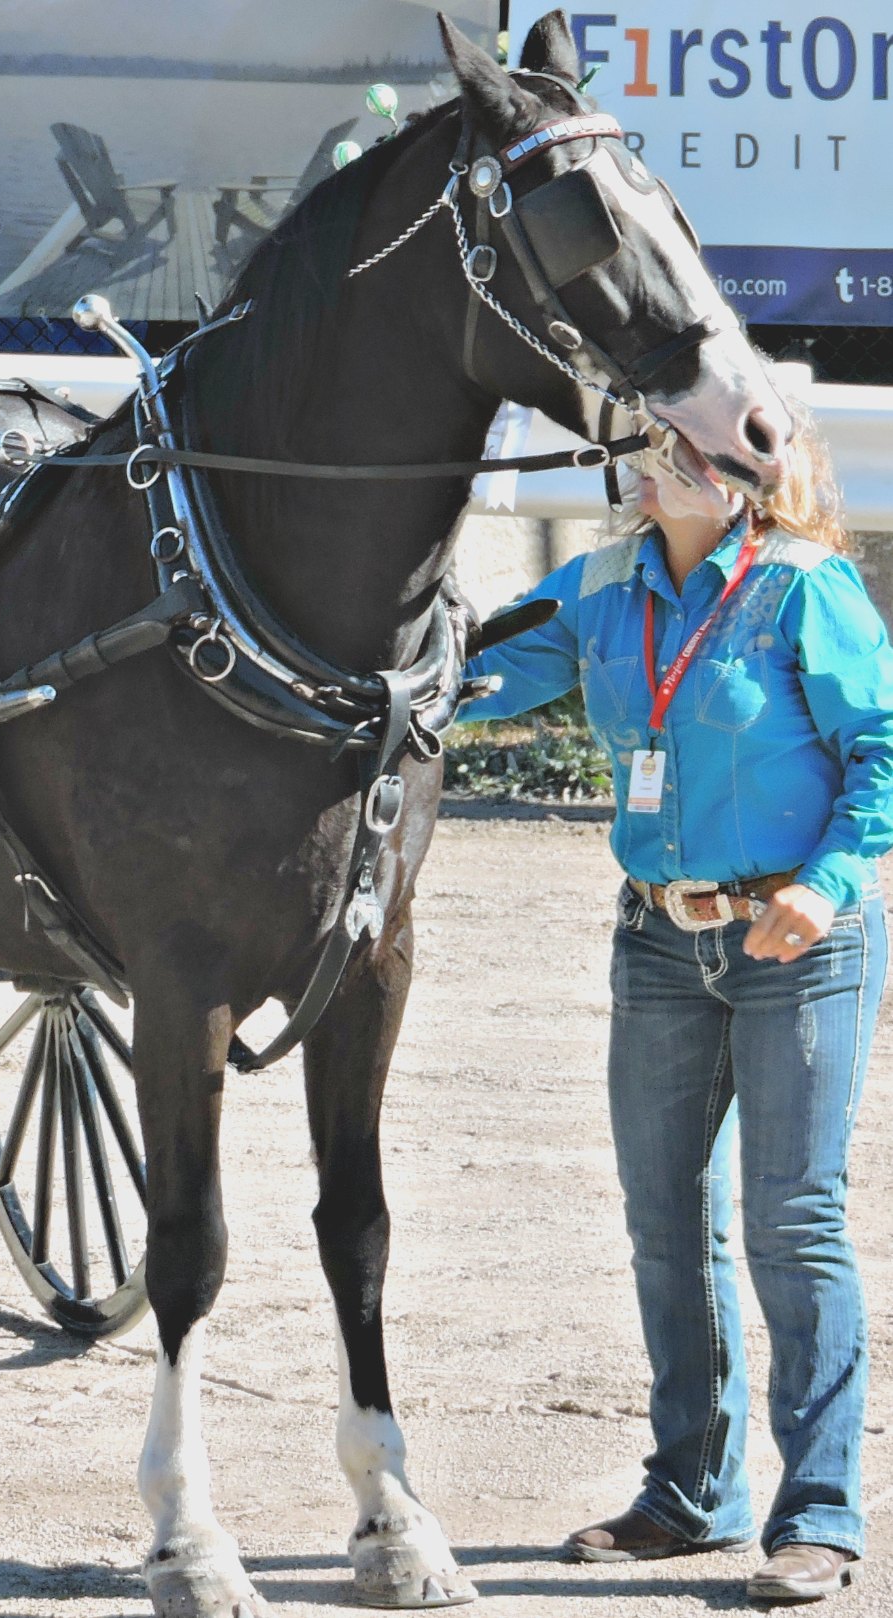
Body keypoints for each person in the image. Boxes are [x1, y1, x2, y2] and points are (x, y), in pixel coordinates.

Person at [461, 414, 893, 1604]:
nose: (656, 454)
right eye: (650, 439)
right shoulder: (600, 583)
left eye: (682, 442)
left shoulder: (805, 588)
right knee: (666, 1223)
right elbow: (478, 681)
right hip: (656, 940)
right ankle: (695, 1492)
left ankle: (818, 1516)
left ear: (744, 473)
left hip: (798, 940)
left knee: (791, 1224)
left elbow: (885, 749)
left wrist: (827, 883)